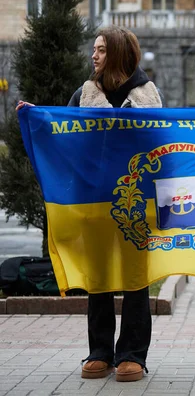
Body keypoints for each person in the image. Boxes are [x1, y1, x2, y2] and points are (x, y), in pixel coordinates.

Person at [18, 26, 163, 382]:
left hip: (136, 203)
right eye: (94, 49)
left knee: (135, 279)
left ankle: (132, 355)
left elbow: (164, 148)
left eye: (100, 50)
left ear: (117, 53)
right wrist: (37, 117)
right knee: (98, 278)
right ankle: (100, 351)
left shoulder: (148, 97)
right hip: (94, 202)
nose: (93, 56)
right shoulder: (84, 95)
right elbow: (62, 137)